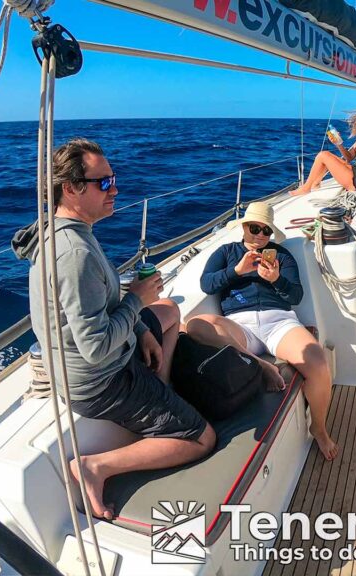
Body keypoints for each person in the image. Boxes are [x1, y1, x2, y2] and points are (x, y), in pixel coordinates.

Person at [15, 138, 215, 520]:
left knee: (170, 310)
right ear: (71, 188)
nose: (115, 189)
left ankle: (161, 389)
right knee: (202, 438)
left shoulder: (67, 231)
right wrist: (137, 299)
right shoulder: (75, 254)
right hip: (100, 382)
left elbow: (104, 310)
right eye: (104, 183)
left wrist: (140, 329)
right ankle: (96, 467)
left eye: (113, 179)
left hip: (105, 356)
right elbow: (96, 348)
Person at [185, 201, 339, 460]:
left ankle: (319, 428)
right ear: (244, 227)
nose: (259, 235)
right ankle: (261, 364)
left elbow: (296, 295)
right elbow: (207, 284)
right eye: (254, 228)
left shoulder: (281, 256)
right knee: (196, 324)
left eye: (265, 231)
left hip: (279, 321)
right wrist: (237, 271)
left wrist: (276, 280)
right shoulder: (226, 253)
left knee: (318, 365)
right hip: (240, 324)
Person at [291, 106, 356, 196]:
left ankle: (306, 188)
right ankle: (315, 184)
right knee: (326, 156)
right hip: (355, 171)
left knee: (323, 155)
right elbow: (349, 157)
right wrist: (339, 144)